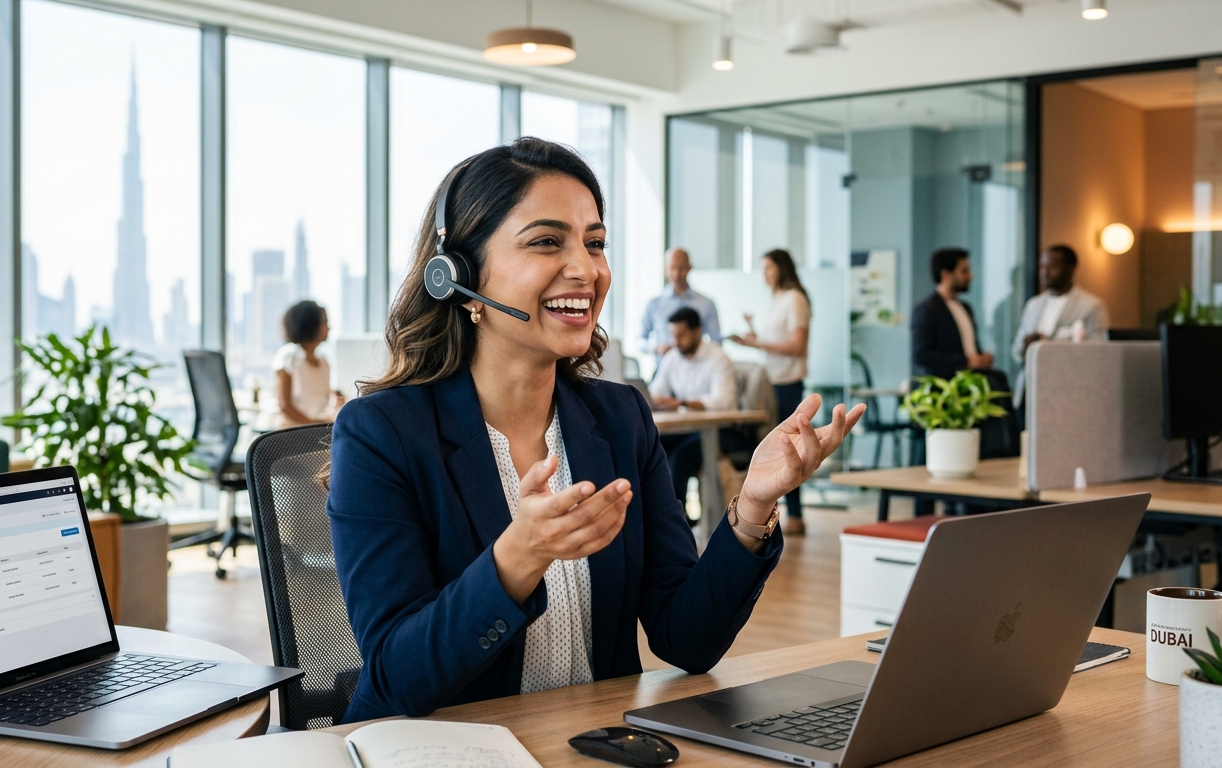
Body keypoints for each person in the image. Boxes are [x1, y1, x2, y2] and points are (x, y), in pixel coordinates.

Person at [326, 138, 864, 723]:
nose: (587, 269)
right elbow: (397, 679)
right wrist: (519, 558)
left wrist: (753, 506)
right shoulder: (381, 434)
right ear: (457, 274)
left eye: (596, 243)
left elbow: (687, 640)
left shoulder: (619, 418)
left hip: (587, 745)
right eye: (546, 242)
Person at [727, 249, 811, 535]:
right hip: (772, 381)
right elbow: (775, 342)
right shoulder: (778, 299)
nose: (764, 274)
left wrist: (756, 344)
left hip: (788, 383)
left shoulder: (795, 299)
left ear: (781, 268)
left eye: (769, 268)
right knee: (774, 447)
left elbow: (796, 346)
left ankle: (796, 514)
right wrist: (754, 338)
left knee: (788, 449)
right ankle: (772, 514)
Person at [647, 307, 738, 512]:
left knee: (681, 458)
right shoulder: (673, 357)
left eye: (681, 335)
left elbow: (724, 401)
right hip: (687, 429)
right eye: (672, 336)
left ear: (697, 331)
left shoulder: (717, 357)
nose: (675, 342)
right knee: (652, 447)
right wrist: (656, 399)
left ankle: (678, 520)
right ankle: (656, 513)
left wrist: (682, 403)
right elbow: (656, 390)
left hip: (721, 431)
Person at [1011, 244, 1108, 409]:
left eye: (1052, 267)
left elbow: (1098, 352)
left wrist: (1049, 346)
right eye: (1042, 266)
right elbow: (1016, 353)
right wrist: (1027, 344)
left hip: (1068, 388)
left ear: (1070, 268)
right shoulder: (1033, 305)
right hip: (1031, 386)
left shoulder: (1091, 306)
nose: (1044, 272)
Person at [911, 248, 992, 380]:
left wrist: (981, 358)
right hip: (945, 383)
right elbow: (922, 355)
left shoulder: (965, 308)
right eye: (964, 271)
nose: (970, 276)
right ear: (946, 275)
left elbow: (970, 347)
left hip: (971, 379)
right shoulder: (927, 309)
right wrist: (967, 360)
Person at [271, 300, 346, 428]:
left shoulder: (323, 361)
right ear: (310, 324)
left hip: (313, 427)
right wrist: (312, 426)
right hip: (289, 429)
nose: (329, 328)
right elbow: (285, 405)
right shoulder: (289, 356)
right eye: (324, 322)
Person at [640, 247, 721, 356]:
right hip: (663, 363)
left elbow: (716, 341)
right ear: (665, 269)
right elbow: (640, 340)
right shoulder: (654, 304)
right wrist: (656, 348)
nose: (676, 274)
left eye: (681, 268)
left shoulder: (706, 304)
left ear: (689, 268)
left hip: (696, 364)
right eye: (672, 268)